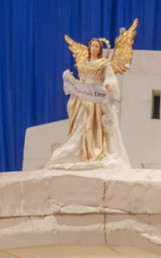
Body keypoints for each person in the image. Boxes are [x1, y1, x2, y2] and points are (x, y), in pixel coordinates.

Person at [46, 35, 131, 168]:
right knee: (81, 125)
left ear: (100, 49)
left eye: (97, 46)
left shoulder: (104, 64)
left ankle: (95, 151)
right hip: (84, 99)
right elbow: (82, 81)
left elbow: (110, 78)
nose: (94, 48)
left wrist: (108, 85)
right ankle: (81, 152)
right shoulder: (83, 65)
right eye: (92, 45)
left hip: (96, 98)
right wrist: (73, 82)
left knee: (95, 124)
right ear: (89, 47)